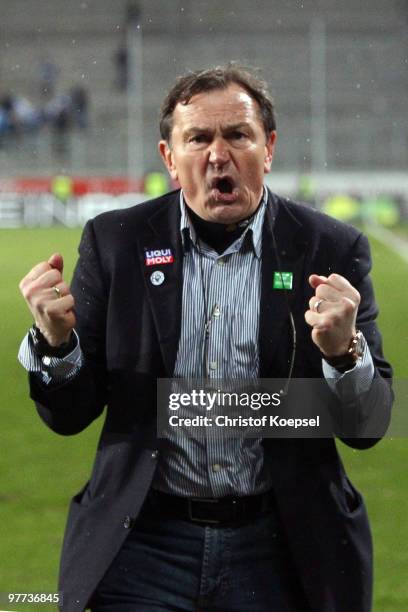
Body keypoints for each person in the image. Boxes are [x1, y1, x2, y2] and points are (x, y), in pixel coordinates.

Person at [18, 65, 392, 612]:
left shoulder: (329, 248)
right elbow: (69, 414)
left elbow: (370, 426)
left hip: (281, 547)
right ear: (170, 158)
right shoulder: (117, 243)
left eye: (238, 135)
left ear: (269, 148)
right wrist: (56, 346)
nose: (219, 154)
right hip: (143, 545)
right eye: (198, 138)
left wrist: (344, 353)